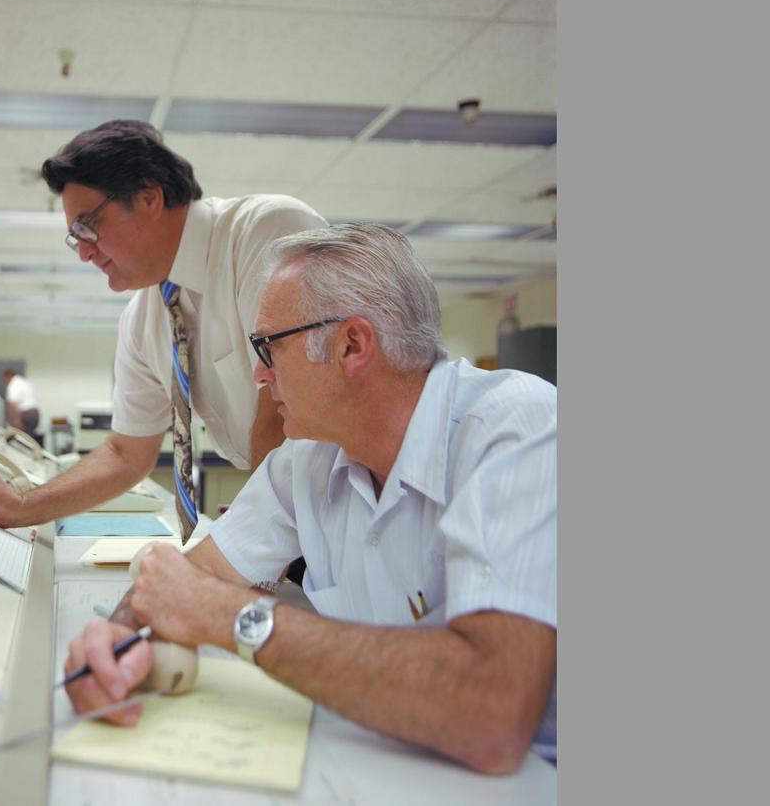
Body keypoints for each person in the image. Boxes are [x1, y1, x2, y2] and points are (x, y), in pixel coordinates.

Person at [60, 224, 557, 774]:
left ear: (351, 345)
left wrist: (234, 617)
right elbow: (186, 579)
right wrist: (120, 633)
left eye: (268, 347)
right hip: (393, 761)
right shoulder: (311, 457)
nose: (258, 373)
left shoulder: (516, 428)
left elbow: (492, 715)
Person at [0, 120, 327, 537]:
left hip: (350, 507)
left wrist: (251, 540)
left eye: (86, 226)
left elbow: (289, 406)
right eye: (75, 238)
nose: (85, 253)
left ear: (149, 197)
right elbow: (124, 453)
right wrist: (20, 507)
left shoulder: (266, 233)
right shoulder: (144, 317)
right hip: (294, 514)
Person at [3, 368, 41, 444]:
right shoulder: (24, 382)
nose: (5, 382)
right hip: (34, 413)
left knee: (22, 440)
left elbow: (13, 404)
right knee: (29, 439)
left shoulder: (13, 384)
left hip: (25, 415)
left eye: (5, 379)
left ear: (8, 376)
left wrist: (16, 421)